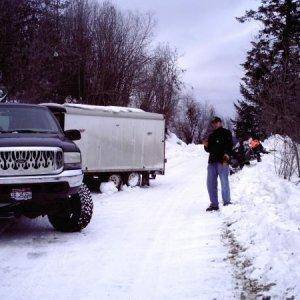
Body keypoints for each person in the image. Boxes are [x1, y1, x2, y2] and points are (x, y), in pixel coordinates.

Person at [203, 117, 233, 211]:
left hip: (222, 161)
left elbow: (229, 146)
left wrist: (226, 158)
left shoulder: (226, 132)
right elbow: (209, 149)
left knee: (224, 182)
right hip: (212, 162)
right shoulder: (211, 135)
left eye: (216, 122)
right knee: (210, 183)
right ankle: (214, 204)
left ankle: (227, 202)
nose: (215, 124)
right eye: (213, 123)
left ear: (220, 123)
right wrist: (206, 145)